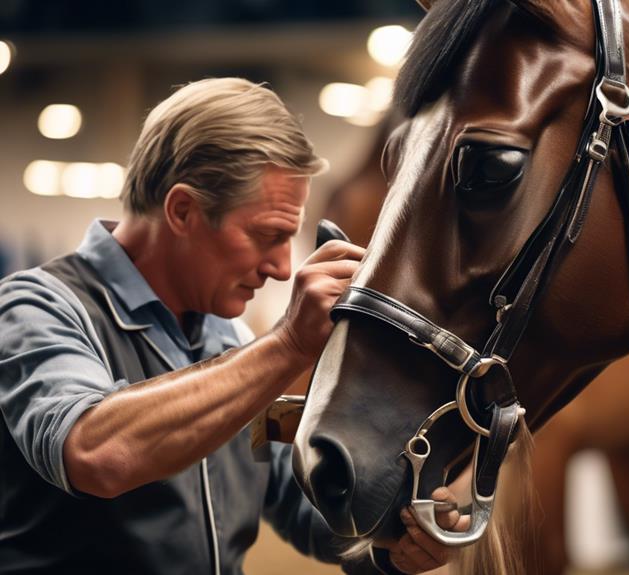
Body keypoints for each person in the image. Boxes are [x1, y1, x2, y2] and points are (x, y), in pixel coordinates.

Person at [0, 78, 462, 575]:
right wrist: (287, 344)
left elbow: (303, 512)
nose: (284, 269)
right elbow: (95, 453)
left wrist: (395, 542)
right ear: (182, 210)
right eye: (268, 236)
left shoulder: (228, 342)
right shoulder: (36, 307)